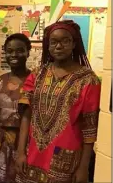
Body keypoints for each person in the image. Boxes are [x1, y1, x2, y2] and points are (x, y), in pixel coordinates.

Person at [15, 20, 101, 183]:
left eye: (65, 41)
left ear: (74, 43)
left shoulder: (89, 80)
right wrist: (20, 152)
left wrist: (83, 167)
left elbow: (90, 129)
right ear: (48, 45)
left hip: (66, 159)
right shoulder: (37, 74)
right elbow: (26, 115)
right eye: (53, 42)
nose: (59, 46)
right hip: (32, 154)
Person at [0, 33, 32, 182]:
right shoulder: (0, 81)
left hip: (23, 142)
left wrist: (22, 150)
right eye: (9, 51)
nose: (14, 54)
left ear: (28, 52)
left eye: (19, 50)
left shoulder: (34, 80)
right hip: (0, 141)